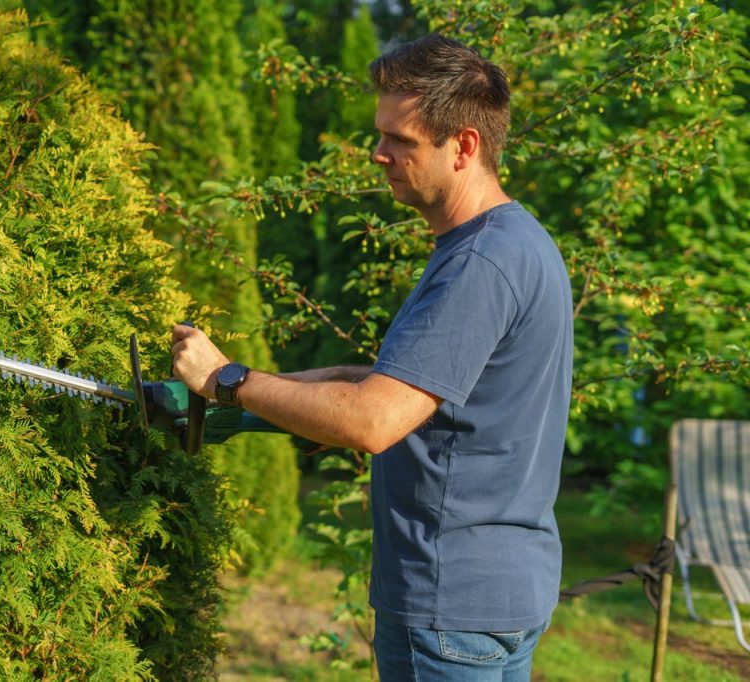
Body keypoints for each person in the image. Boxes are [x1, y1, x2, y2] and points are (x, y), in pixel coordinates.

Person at [171, 34, 573, 681]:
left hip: (447, 605)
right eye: (379, 134)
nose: (377, 153)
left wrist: (228, 380)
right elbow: (396, 388)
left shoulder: (478, 263)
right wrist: (248, 399)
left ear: (463, 145)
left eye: (400, 140)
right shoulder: (519, 243)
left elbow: (372, 421)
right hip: (501, 593)